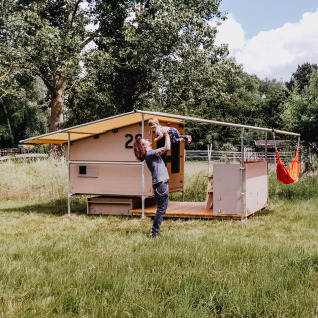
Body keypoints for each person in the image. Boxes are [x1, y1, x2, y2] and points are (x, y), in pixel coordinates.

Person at [133, 130, 171, 237]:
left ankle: (155, 231)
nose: (148, 140)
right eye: (145, 140)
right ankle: (154, 232)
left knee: (161, 209)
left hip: (159, 184)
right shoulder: (149, 154)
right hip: (160, 184)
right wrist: (166, 135)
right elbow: (167, 147)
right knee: (161, 209)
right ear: (143, 146)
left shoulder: (150, 154)